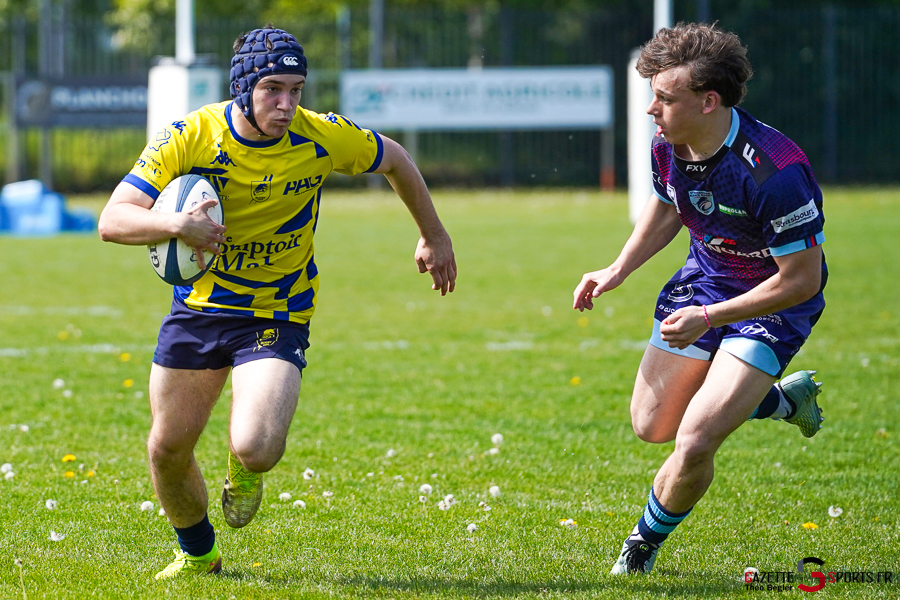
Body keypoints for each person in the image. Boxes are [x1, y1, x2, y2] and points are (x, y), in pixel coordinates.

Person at [98, 26, 456, 580]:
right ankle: (199, 556)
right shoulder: (192, 136)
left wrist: (434, 235)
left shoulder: (320, 136)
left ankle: (244, 468)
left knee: (258, 446)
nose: (287, 104)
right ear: (243, 88)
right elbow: (113, 219)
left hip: (276, 311)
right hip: (200, 308)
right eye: (273, 89)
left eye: (296, 89)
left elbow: (396, 160)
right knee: (167, 449)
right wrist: (176, 225)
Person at [573, 22, 826, 575]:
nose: (651, 110)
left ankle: (638, 553)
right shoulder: (669, 143)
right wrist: (617, 269)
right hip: (705, 282)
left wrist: (710, 318)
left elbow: (802, 280)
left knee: (692, 442)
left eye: (665, 98)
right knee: (652, 425)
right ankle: (782, 401)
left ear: (709, 101)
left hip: (773, 304)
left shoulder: (775, 172)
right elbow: (668, 206)